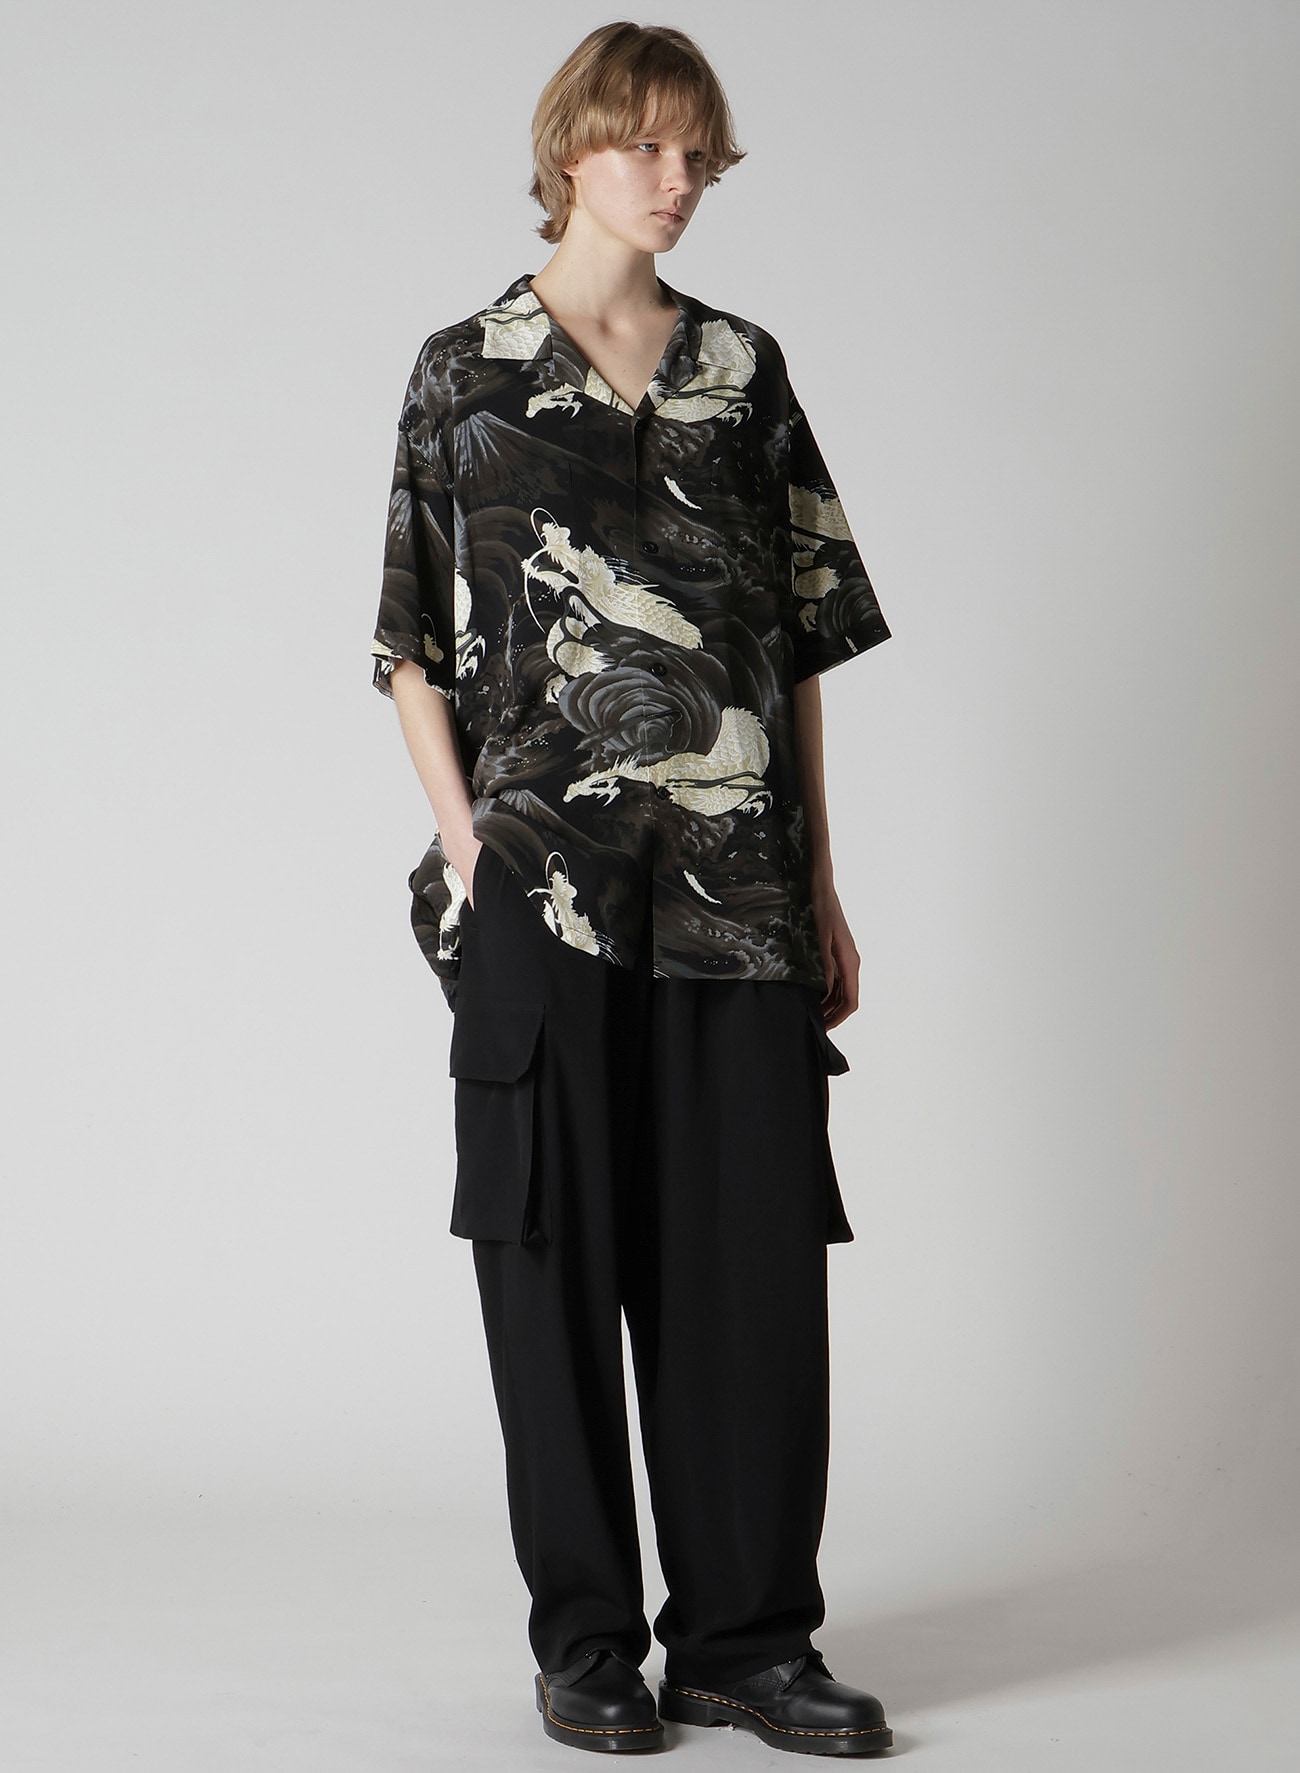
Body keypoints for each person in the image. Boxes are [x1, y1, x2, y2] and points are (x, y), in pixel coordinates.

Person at [369, 21, 895, 1759]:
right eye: (647, 147)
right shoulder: (466, 372)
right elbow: (408, 645)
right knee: (550, 1259)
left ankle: (747, 1640)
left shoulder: (744, 370)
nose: (678, 182)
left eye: (698, 153)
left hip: (739, 891)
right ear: (571, 151)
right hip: (544, 893)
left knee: (753, 1267)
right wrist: (469, 846)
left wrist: (821, 877)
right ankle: (586, 1641)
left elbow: (796, 641)